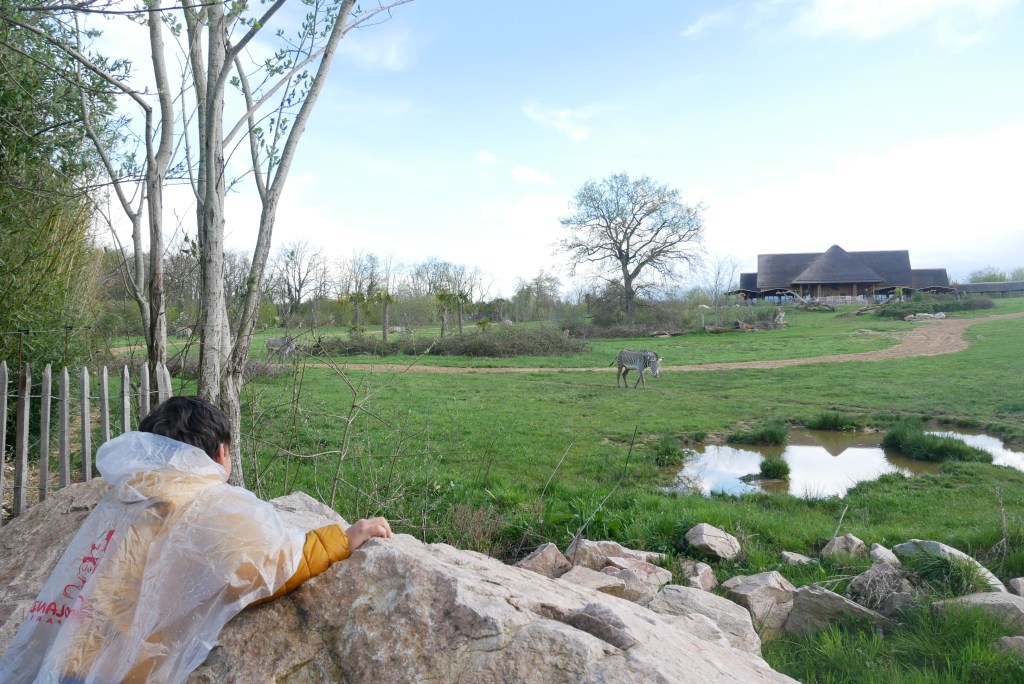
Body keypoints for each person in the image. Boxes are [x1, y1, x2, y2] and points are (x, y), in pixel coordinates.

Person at [0, 396, 391, 683]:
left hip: (68, 656)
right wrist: (341, 539)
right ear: (221, 454)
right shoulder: (209, 503)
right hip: (121, 672)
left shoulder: (126, 496)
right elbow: (269, 565)